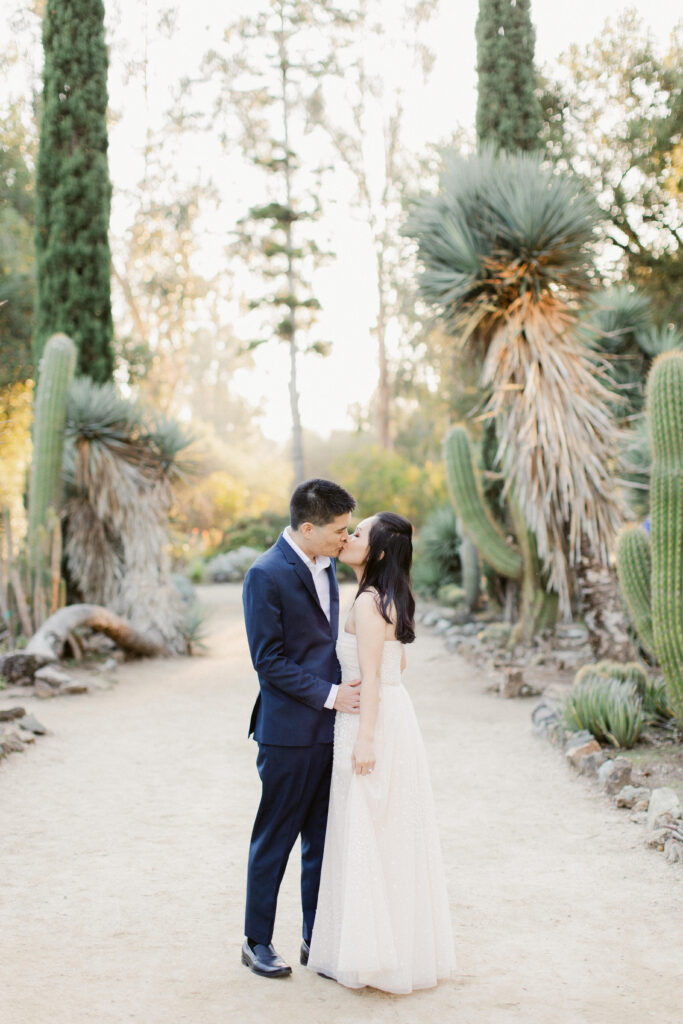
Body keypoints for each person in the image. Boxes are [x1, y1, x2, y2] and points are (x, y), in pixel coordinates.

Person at [307, 512, 455, 993]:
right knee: (386, 829)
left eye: (359, 533)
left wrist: (366, 737)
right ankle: (383, 946)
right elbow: (398, 664)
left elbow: (373, 675)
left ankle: (370, 954)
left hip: (371, 722)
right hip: (391, 714)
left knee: (370, 826)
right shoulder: (386, 597)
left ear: (380, 552)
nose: (349, 537)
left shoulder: (370, 603)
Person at [241, 478, 359, 978]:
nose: (344, 538)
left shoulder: (327, 563)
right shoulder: (264, 575)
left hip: (330, 731)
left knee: (322, 838)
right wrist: (333, 696)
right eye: (338, 530)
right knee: (276, 836)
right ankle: (256, 942)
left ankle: (317, 938)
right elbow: (268, 661)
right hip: (287, 731)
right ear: (307, 527)